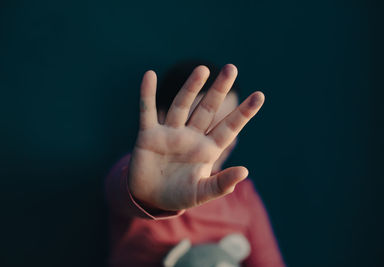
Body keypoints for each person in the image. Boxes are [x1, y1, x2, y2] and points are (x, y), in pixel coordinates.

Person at [105, 61, 286, 267]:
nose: (225, 143)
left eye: (230, 127)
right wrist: (149, 197)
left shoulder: (242, 194)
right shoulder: (138, 172)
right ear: (163, 118)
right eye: (208, 126)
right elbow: (120, 191)